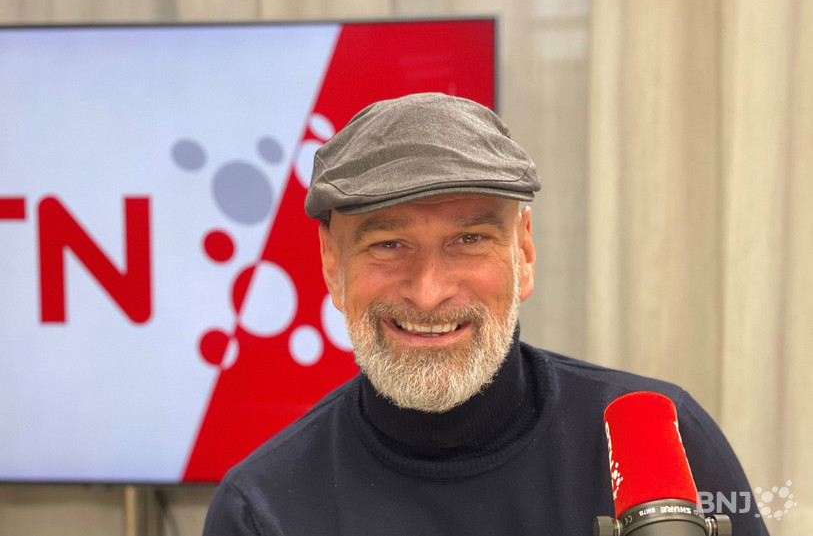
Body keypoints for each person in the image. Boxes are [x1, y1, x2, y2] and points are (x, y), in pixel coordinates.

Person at [202, 93, 768, 536]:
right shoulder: (265, 510)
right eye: (388, 244)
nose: (427, 293)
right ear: (332, 262)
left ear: (523, 250)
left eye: (468, 238)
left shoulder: (661, 445)